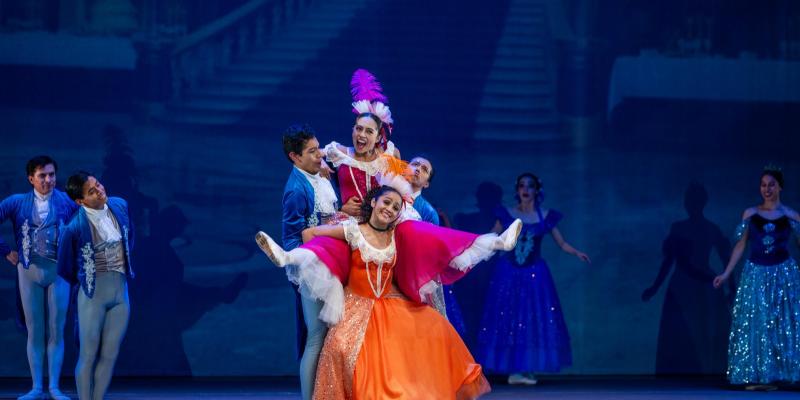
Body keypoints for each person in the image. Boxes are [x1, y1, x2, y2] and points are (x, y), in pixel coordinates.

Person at [256, 184, 522, 399]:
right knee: (339, 347)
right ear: (374, 202)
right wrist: (314, 251)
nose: (390, 208)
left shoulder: (398, 234)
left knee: (435, 328)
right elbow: (313, 234)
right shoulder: (353, 231)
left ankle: (496, 242)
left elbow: (440, 241)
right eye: (386, 202)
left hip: (389, 303)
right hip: (356, 306)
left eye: (395, 207)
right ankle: (286, 258)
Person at [477, 173, 590, 385]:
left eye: (530, 185)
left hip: (534, 275)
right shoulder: (507, 214)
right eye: (521, 185)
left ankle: (525, 368)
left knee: (530, 319)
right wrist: (476, 248)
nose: (525, 189)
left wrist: (576, 252)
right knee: (509, 317)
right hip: (509, 272)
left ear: (537, 190)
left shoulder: (545, 216)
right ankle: (514, 370)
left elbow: (561, 243)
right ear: (517, 190)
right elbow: (493, 237)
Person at [713, 167, 800, 389]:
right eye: (763, 184)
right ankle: (757, 375)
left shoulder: (791, 215)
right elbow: (740, 245)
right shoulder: (750, 214)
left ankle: (781, 374)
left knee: (782, 322)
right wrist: (725, 273)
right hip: (756, 274)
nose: (767, 189)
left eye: (771, 184)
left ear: (780, 186)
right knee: (757, 323)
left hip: (783, 275)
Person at [0, 156, 77, 400]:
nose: (48, 180)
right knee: (35, 330)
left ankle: (54, 387)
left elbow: (87, 226)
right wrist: (5, 251)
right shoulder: (16, 202)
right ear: (31, 178)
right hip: (29, 272)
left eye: (52, 174)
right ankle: (36, 387)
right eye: (42, 176)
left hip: (58, 272)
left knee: (56, 329)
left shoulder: (66, 200)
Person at [58, 171, 135, 400]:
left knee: (110, 354)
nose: (100, 191)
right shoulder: (74, 228)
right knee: (88, 355)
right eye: (92, 191)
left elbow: (130, 238)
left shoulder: (120, 205)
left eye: (98, 184)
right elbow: (65, 266)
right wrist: (86, 279)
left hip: (121, 294)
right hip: (93, 296)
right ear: (80, 201)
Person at [279, 124, 339, 400]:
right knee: (315, 337)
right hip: (313, 268)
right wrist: (307, 268)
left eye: (319, 148)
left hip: (333, 262)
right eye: (312, 151)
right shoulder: (296, 191)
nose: (319, 155)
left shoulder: (320, 174)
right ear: (295, 156)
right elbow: (291, 237)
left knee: (332, 336)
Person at [407, 156, 466, 335]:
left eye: (424, 169)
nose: (417, 169)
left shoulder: (428, 212)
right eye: (415, 164)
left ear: (426, 184)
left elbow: (428, 254)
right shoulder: (386, 195)